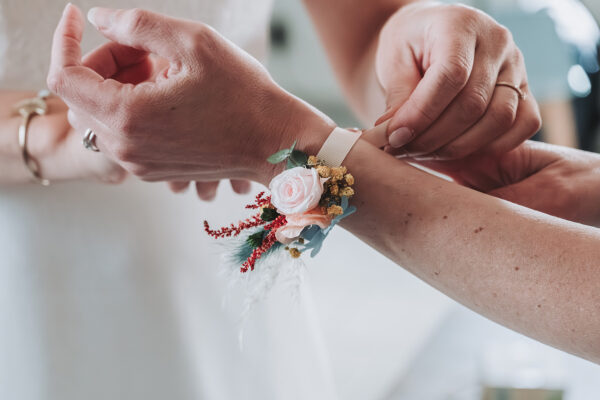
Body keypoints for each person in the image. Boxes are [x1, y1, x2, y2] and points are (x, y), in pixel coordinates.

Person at [0, 1, 540, 399]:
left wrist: (418, 38)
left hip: (235, 264)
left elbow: (368, 32)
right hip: (29, 269)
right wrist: (63, 140)